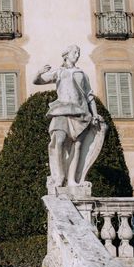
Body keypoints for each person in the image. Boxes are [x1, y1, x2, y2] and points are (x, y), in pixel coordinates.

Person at [33, 44, 103, 188]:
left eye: (78, 53)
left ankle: (71, 180)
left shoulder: (81, 74)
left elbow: (89, 96)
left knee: (76, 146)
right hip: (61, 111)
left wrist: (95, 115)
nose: (77, 55)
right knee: (58, 141)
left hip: (80, 112)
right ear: (66, 55)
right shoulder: (59, 72)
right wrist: (39, 72)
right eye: (74, 52)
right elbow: (37, 81)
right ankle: (60, 176)